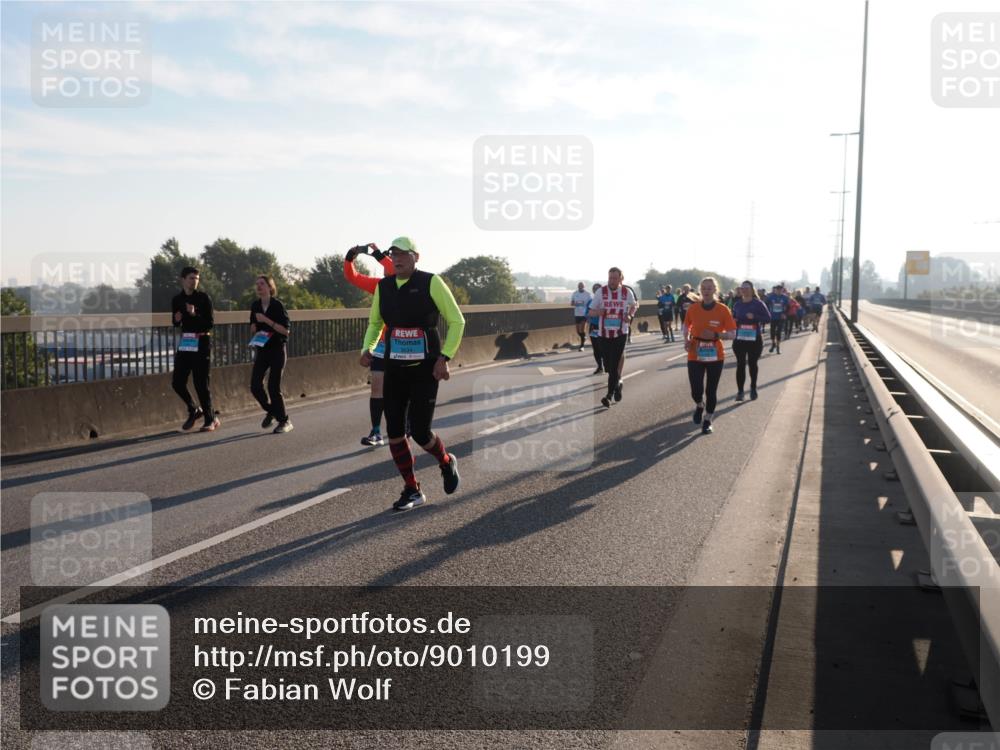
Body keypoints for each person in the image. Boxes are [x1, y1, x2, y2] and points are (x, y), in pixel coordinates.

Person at [359, 237, 465, 512]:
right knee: (394, 432)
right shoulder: (384, 287)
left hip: (425, 369)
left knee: (419, 431)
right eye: (394, 254)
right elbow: (375, 323)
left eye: (403, 254)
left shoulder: (431, 282)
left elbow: (457, 321)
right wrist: (367, 348)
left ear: (415, 256)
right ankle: (412, 488)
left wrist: (445, 357)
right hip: (394, 367)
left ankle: (445, 461)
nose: (397, 258)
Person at [344, 243, 397, 447]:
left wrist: (377, 254)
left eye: (390, 260)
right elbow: (353, 277)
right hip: (383, 344)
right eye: (389, 259)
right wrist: (350, 257)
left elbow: (393, 269)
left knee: (402, 389)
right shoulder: (380, 285)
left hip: (405, 343)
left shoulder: (412, 282)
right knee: (377, 387)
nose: (389, 265)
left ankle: (408, 424)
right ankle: (376, 432)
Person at [684, 276, 737, 434]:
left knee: (711, 390)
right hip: (695, 352)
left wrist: (716, 335)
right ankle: (700, 405)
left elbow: (733, 333)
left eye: (709, 288)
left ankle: (708, 419)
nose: (706, 291)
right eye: (704, 288)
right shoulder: (693, 309)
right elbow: (686, 326)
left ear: (715, 290)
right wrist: (686, 339)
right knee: (696, 390)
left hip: (715, 354)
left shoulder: (722, 309)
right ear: (700, 290)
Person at [171, 266, 220, 432]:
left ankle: (210, 419)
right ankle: (193, 409)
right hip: (186, 342)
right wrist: (177, 320)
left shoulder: (204, 298)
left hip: (202, 341)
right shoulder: (177, 300)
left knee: (201, 383)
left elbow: (209, 324)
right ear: (183, 279)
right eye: (191, 278)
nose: (195, 281)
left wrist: (194, 315)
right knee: (177, 382)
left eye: (197, 278)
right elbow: (176, 322)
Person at [249, 275, 293, 434]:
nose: (259, 287)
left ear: (270, 287)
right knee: (255, 386)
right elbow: (253, 325)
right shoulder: (255, 305)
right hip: (262, 350)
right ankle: (272, 410)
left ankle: (285, 421)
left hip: (277, 350)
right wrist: (253, 328)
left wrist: (267, 321)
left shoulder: (277, 305)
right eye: (257, 284)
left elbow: (286, 331)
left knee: (273, 387)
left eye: (262, 284)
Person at [590, 267, 637, 408]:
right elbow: (591, 312)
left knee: (615, 362)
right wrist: (599, 311)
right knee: (609, 367)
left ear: (621, 279)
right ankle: (617, 385)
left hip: (620, 333)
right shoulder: (601, 292)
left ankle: (609, 396)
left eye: (615, 278)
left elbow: (634, 305)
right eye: (610, 278)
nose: (611, 281)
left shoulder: (626, 292)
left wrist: (629, 315)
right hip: (603, 334)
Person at [731, 281, 771, 402]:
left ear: (752, 290)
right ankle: (740, 391)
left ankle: (753, 388)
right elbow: (732, 318)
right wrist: (734, 320)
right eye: (742, 288)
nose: (744, 290)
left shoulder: (758, 303)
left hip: (755, 339)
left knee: (753, 364)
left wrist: (754, 317)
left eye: (747, 288)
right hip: (740, 339)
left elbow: (768, 318)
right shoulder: (737, 304)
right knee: (740, 365)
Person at [763, 285, 790, 354]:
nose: (778, 291)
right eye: (777, 290)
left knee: (778, 332)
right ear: (775, 290)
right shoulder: (771, 297)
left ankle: (778, 347)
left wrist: (785, 313)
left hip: (781, 317)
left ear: (782, 290)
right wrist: (767, 312)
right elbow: (765, 304)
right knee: (772, 332)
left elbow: (788, 307)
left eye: (780, 290)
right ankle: (773, 344)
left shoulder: (785, 298)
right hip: (773, 317)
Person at [586, 282, 604, 375]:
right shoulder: (590, 302)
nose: (597, 291)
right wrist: (589, 317)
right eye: (595, 289)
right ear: (593, 291)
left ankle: (607, 364)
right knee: (596, 348)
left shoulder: (606, 301)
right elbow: (587, 313)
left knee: (603, 348)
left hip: (604, 327)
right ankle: (600, 366)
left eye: (598, 289)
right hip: (594, 327)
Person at [570, 282, 592, 351]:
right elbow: (571, 303)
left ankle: (582, 346)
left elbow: (591, 304)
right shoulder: (575, 293)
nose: (580, 287)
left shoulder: (588, 294)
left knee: (582, 329)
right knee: (578, 331)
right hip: (577, 314)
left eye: (582, 286)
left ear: (584, 286)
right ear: (578, 286)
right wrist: (576, 303)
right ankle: (584, 337)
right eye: (579, 286)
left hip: (584, 314)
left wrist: (589, 312)